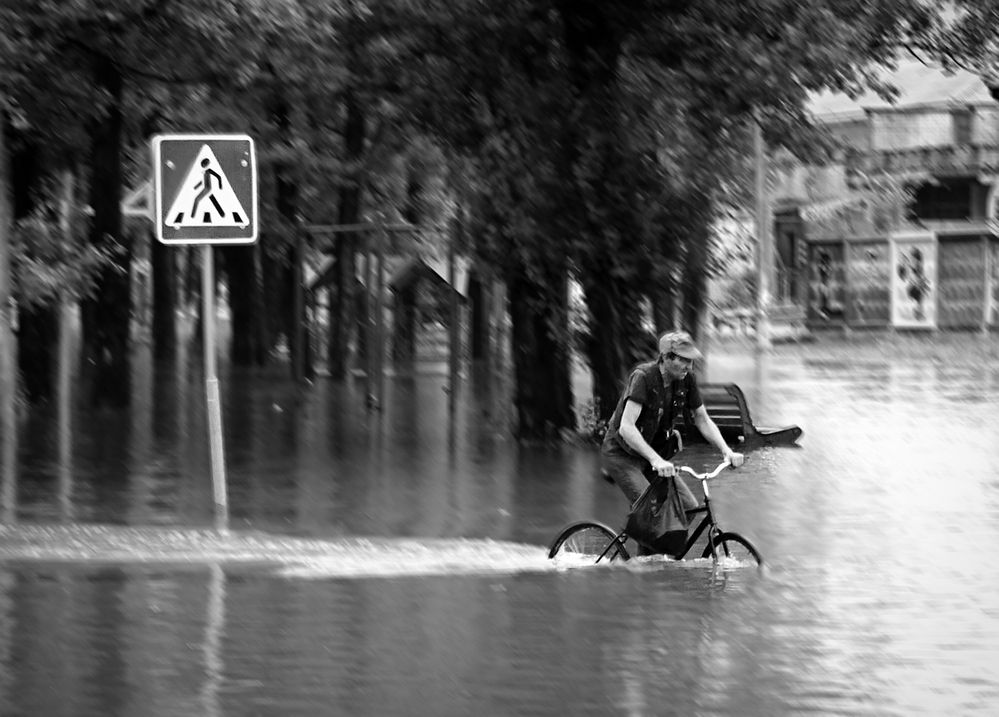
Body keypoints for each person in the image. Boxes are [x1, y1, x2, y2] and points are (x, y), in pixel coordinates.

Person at [600, 330, 744, 522]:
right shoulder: (643, 377)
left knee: (688, 508)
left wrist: (727, 451)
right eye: (684, 360)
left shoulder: (687, 379)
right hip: (622, 456)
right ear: (666, 358)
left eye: (691, 361)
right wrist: (656, 460)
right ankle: (647, 551)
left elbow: (702, 418)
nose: (689, 366)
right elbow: (627, 428)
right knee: (654, 513)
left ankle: (654, 552)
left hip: (653, 456)